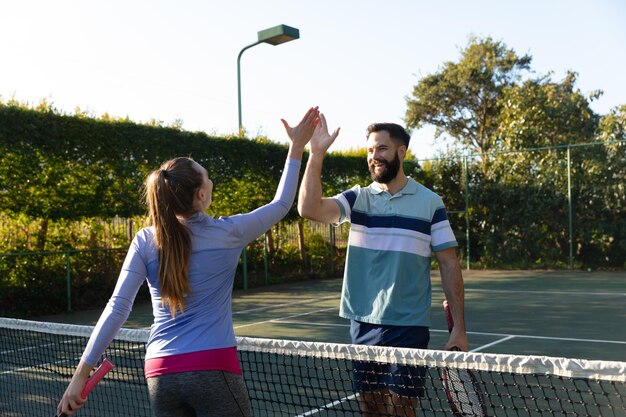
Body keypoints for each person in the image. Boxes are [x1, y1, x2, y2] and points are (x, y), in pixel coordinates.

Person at [56, 107, 320, 417]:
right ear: (200, 195)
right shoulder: (229, 233)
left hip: (160, 372)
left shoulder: (144, 239)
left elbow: (117, 308)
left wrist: (79, 375)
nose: (211, 180)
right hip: (213, 368)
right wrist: (296, 147)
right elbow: (282, 203)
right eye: (207, 177)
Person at [297, 114, 468, 417]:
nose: (374, 157)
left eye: (381, 149)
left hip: (409, 326)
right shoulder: (357, 199)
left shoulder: (430, 203)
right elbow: (308, 208)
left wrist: (459, 329)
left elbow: (449, 263)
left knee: (402, 410)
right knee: (371, 409)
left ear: (401, 152)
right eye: (370, 151)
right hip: (362, 323)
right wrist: (316, 153)